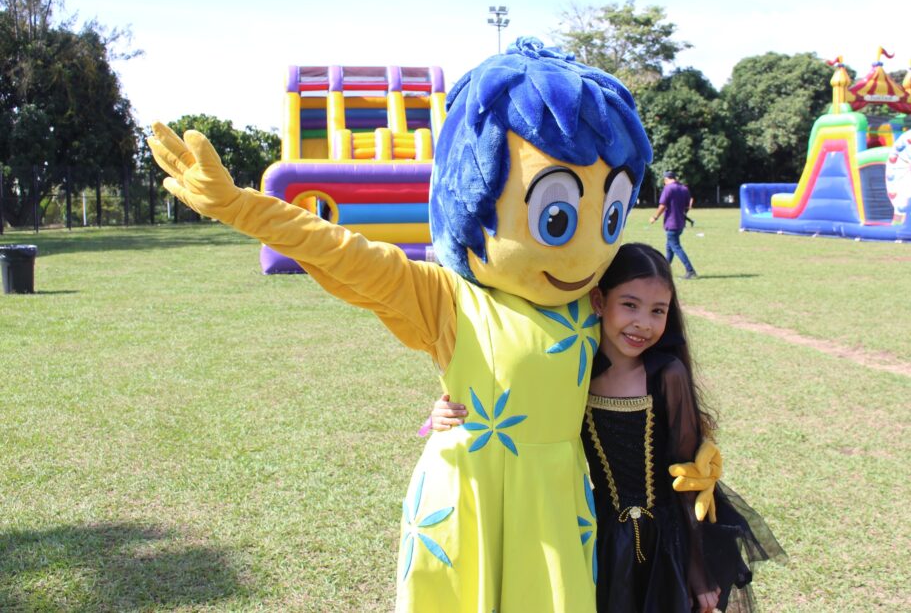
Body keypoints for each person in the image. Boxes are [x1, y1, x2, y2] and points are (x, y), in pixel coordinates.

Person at [148, 37, 652, 613]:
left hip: (558, 502)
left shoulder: (598, 305)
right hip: (469, 493)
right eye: (557, 217)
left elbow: (655, 372)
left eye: (609, 216)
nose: (587, 249)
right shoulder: (446, 298)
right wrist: (240, 205)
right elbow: (341, 251)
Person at [432, 243, 785, 612]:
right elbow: (514, 402)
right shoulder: (574, 373)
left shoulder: (667, 375)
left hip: (668, 545)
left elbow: (688, 482)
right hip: (594, 539)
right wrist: (441, 412)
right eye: (629, 305)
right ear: (599, 300)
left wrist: (698, 573)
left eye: (657, 311)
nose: (643, 323)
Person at [649, 171, 697, 279]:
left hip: (671, 223)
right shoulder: (684, 188)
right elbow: (686, 207)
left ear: (666, 179)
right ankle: (664, 271)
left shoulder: (668, 188)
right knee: (669, 247)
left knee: (676, 247)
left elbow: (662, 205)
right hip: (680, 223)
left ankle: (690, 270)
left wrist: (655, 217)